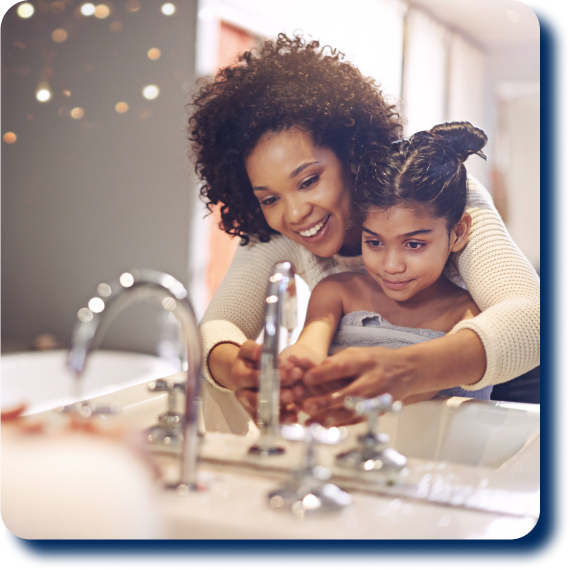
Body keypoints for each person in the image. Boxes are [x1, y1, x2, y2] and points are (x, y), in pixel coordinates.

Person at [189, 34, 540, 434]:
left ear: (351, 154)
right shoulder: (279, 228)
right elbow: (215, 329)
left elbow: (534, 318)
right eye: (269, 198)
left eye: (308, 181)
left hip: (507, 379)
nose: (295, 212)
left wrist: (409, 369)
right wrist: (239, 370)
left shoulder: (433, 196)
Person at [279, 122, 493, 426]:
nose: (391, 265)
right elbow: (308, 348)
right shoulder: (337, 293)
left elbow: (423, 389)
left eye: (414, 244)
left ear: (457, 233)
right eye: (374, 242)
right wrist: (294, 370)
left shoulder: (471, 313)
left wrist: (395, 378)